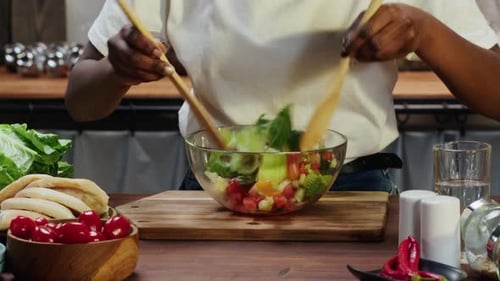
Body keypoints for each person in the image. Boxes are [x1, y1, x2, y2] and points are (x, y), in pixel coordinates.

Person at [65, 0, 500, 193]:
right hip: (217, 187)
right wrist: (116, 70)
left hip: (354, 189)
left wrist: (422, 29)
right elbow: (81, 101)